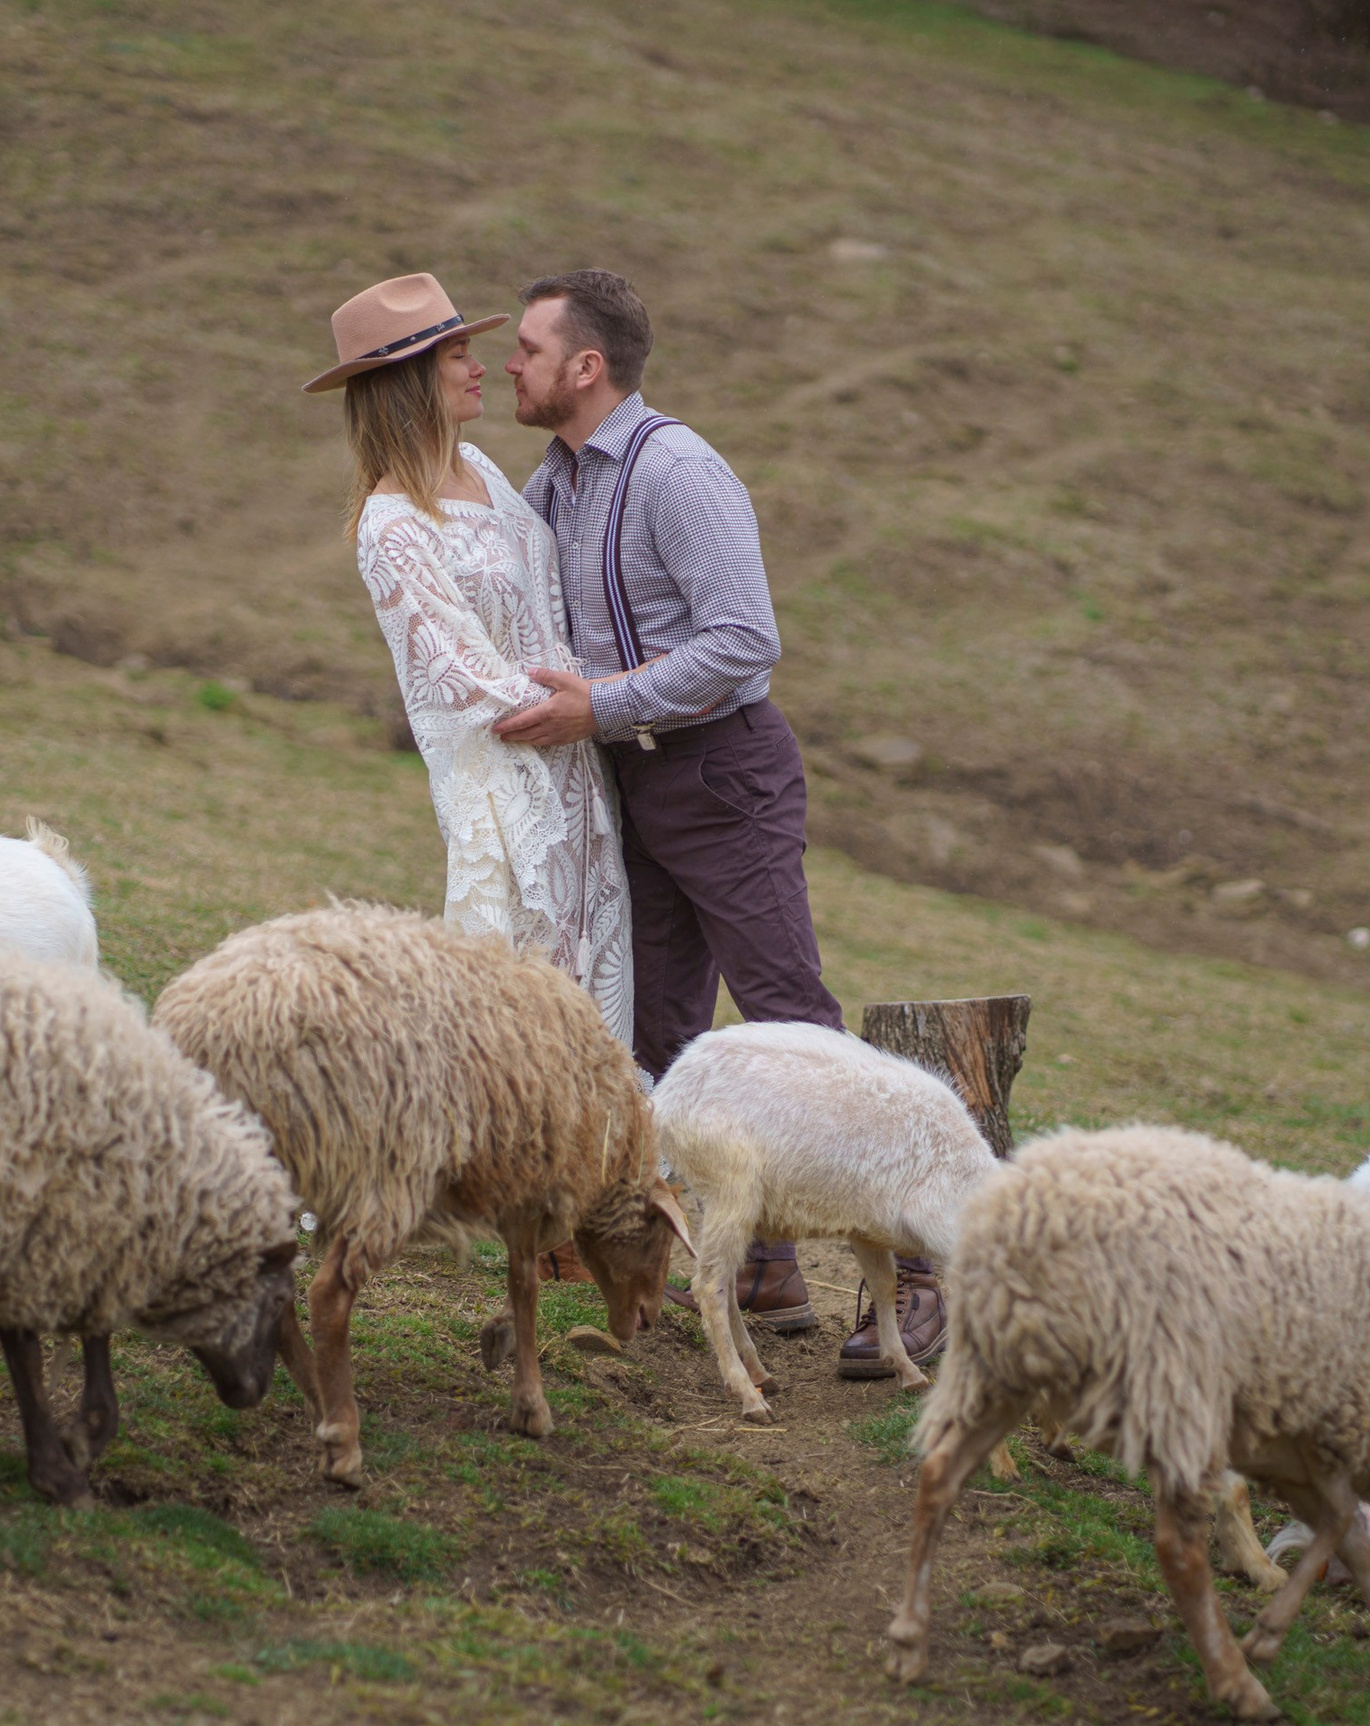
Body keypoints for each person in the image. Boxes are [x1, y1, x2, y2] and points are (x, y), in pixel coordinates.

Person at [491, 268, 942, 1381]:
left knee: (789, 1021)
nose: (510, 364)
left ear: (585, 367)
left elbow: (745, 641)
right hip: (631, 784)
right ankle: (767, 1264)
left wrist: (602, 703)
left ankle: (928, 1274)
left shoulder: (677, 472)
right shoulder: (551, 482)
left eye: (527, 348)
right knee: (667, 1036)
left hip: (722, 773)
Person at [306, 272, 632, 1044]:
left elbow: (543, 600)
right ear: (410, 379)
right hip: (510, 784)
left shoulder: (482, 467)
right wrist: (590, 701)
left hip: (580, 769)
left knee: (602, 999)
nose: (481, 366)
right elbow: (462, 677)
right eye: (457, 355)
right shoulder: (392, 527)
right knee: (527, 1011)